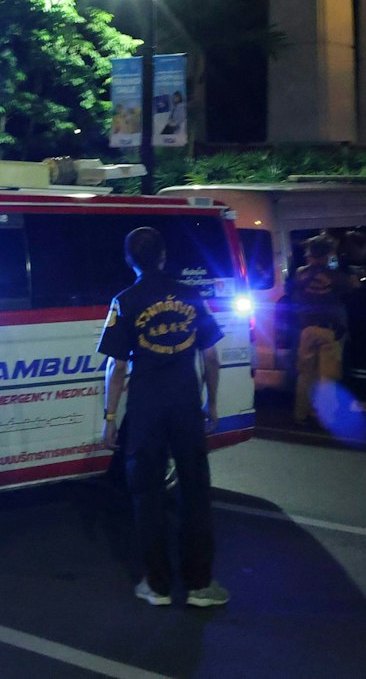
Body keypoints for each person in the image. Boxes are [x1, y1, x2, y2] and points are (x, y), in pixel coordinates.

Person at [97, 226, 228, 608]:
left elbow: (116, 367)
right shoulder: (192, 295)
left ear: (129, 260)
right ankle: (201, 584)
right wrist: (212, 404)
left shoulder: (125, 300)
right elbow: (211, 356)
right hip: (186, 407)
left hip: (146, 412)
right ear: (164, 257)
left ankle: (158, 585)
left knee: (148, 496)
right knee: (195, 493)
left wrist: (109, 416)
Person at [283, 234, 346, 429]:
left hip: (306, 330)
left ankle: (301, 414)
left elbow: (290, 291)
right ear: (327, 255)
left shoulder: (301, 273)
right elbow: (350, 289)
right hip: (329, 330)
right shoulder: (335, 276)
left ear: (310, 255)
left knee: (305, 375)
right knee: (327, 376)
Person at [337, 231, 366, 413]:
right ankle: (360, 398)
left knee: (354, 359)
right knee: (362, 360)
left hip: (353, 318)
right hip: (365, 317)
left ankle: (354, 396)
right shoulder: (362, 267)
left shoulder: (342, 266)